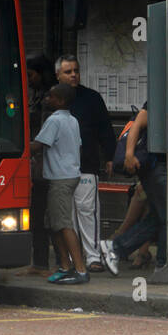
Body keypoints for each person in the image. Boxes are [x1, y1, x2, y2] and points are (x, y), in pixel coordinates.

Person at [56, 55, 117, 275]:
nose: (73, 75)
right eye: (68, 71)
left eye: (76, 70)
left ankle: (92, 257)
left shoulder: (92, 98)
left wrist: (110, 156)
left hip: (86, 165)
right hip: (59, 168)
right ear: (58, 75)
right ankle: (74, 258)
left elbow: (105, 130)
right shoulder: (51, 99)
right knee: (67, 215)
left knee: (87, 211)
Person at [31, 83, 87, 284]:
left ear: (61, 101)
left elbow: (37, 146)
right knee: (53, 223)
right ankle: (65, 266)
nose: (47, 99)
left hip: (60, 179)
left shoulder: (54, 120)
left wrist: (17, 145)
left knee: (63, 224)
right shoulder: (73, 120)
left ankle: (80, 270)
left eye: (51, 97)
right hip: (69, 175)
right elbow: (78, 147)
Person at [101, 101, 167, 270]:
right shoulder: (161, 93)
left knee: (159, 217)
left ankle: (115, 248)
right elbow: (138, 123)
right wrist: (129, 155)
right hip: (156, 166)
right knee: (167, 217)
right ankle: (163, 263)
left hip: (162, 167)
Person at [24, 53, 53, 270]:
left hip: (43, 165)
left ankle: (42, 262)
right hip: (37, 163)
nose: (28, 79)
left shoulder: (49, 100)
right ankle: (39, 261)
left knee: (41, 214)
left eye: (31, 75)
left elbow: (44, 136)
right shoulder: (37, 96)